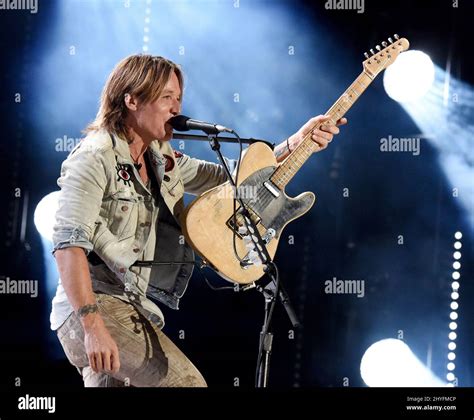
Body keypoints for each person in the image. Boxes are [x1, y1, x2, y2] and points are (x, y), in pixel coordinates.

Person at [50, 54, 346, 387]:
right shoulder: (94, 156)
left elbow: (232, 180)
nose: (176, 109)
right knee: (188, 384)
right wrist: (92, 327)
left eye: (178, 98)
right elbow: (67, 244)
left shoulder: (162, 157)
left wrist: (296, 143)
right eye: (166, 98)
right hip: (95, 307)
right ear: (131, 100)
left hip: (133, 309)